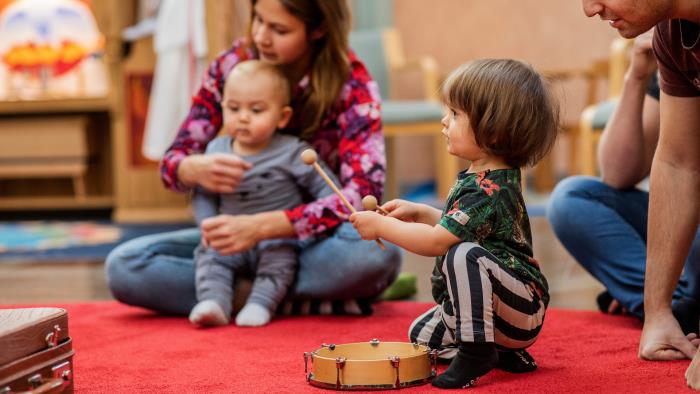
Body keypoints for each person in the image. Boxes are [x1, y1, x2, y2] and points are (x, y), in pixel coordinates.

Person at [105, 0, 401, 318]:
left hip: (313, 242)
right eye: (258, 20)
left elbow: (363, 198)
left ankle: (236, 294)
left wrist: (265, 226)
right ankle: (282, 298)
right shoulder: (232, 65)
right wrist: (192, 168)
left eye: (279, 29)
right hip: (234, 241)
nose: (260, 36)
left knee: (376, 255)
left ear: (319, 29)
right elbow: (174, 162)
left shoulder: (353, 86)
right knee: (124, 266)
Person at [350, 59, 559, 389]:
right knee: (421, 335)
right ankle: (501, 351)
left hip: (522, 307)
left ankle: (478, 352)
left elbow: (437, 243)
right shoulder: (485, 178)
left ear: (492, 130)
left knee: (464, 256)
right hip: (506, 310)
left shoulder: (486, 187)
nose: (444, 121)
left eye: (456, 114)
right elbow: (466, 228)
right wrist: (422, 212)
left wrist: (380, 228)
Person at [581, 0, 700, 389]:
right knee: (576, 199)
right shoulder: (671, 34)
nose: (589, 9)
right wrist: (657, 310)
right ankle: (683, 304)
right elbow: (678, 163)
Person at [547, 30, 700, 330]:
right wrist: (636, 77)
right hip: (687, 215)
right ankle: (671, 303)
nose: (592, 11)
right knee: (572, 199)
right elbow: (619, 174)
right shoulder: (676, 44)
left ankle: (670, 300)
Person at [189, 60, 339, 327]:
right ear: (222, 106)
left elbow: (328, 191)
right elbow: (204, 194)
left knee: (279, 264)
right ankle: (215, 302)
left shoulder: (292, 151)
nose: (243, 117)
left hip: (277, 239)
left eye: (256, 110)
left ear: (282, 117)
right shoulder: (216, 149)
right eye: (234, 108)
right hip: (229, 239)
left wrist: (301, 230)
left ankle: (261, 302)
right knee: (209, 257)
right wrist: (207, 225)